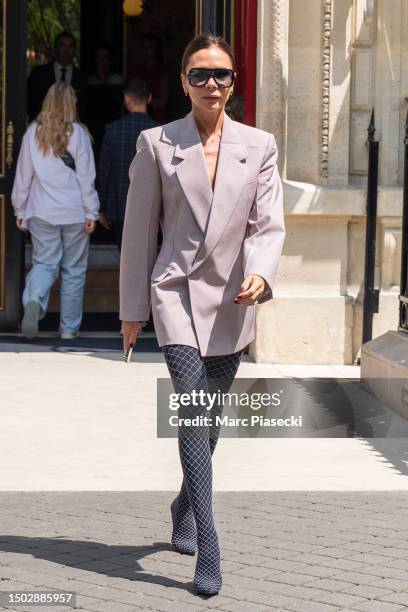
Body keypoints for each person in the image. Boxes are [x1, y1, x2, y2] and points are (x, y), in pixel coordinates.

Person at [119, 34, 286, 595]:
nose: (211, 84)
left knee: (207, 424)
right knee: (192, 413)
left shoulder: (259, 145)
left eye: (221, 75)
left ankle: (182, 504)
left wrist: (262, 274)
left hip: (233, 301)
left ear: (234, 82)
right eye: (199, 75)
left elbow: (268, 224)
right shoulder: (156, 143)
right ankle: (209, 544)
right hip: (176, 295)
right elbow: (140, 232)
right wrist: (131, 310)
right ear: (183, 82)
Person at [12, 82, 99, 340]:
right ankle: (69, 330)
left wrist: (20, 208)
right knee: (73, 270)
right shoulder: (79, 135)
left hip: (41, 212)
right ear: (71, 104)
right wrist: (91, 212)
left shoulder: (32, 134)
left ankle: (34, 300)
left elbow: (23, 176)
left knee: (44, 263)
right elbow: (87, 178)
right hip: (74, 213)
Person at [98, 78, 157, 250]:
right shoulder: (159, 131)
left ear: (126, 99)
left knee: (125, 255)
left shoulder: (112, 130)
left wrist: (101, 206)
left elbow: (104, 171)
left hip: (119, 203)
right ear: (149, 98)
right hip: (151, 205)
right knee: (147, 255)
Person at [27, 31, 87, 122]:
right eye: (62, 46)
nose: (66, 50)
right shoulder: (39, 74)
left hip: (73, 129)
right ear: (55, 49)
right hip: (43, 128)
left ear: (74, 50)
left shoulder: (82, 77)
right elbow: (29, 102)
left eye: (70, 46)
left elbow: (85, 107)